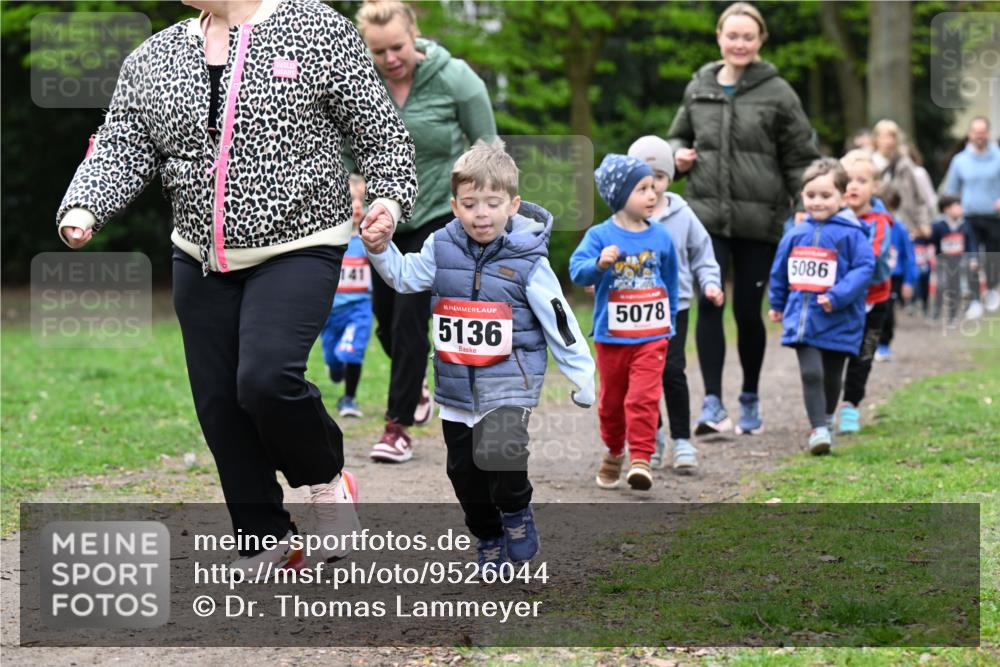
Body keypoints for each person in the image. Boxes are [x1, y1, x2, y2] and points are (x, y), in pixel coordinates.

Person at [57, 0, 417, 571]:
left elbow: (382, 136)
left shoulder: (316, 28)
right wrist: (85, 205)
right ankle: (263, 533)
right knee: (220, 402)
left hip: (300, 242)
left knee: (266, 378)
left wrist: (389, 201)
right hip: (197, 256)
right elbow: (124, 142)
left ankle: (327, 485)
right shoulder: (156, 54)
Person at [361, 140, 595, 570]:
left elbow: (558, 318)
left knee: (503, 464)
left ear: (513, 204)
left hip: (510, 384)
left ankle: (517, 514)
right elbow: (405, 277)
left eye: (492, 203)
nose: (481, 214)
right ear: (454, 206)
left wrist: (582, 374)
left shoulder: (528, 259)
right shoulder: (440, 246)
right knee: (464, 477)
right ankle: (487, 535)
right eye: (470, 204)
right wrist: (380, 249)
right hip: (455, 389)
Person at [666, 1, 819, 437]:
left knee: (749, 311)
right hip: (706, 216)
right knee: (710, 303)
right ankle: (712, 404)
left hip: (761, 219)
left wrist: (805, 207)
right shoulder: (699, 85)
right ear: (719, 37)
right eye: (731, 36)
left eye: (747, 37)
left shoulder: (778, 93)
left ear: (760, 41)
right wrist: (677, 154)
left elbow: (799, 159)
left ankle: (750, 395)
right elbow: (678, 133)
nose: (739, 43)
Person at [356, 0, 497, 463]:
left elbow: (487, 146)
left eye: (396, 47)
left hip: (438, 212)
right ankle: (414, 384)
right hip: (382, 217)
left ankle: (396, 427)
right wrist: (352, 181)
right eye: (378, 51)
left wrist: (478, 204)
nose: (389, 58)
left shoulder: (455, 78)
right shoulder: (360, 81)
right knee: (385, 322)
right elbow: (338, 141)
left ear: (413, 34)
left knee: (410, 316)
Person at [570, 154, 680, 491]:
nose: (652, 195)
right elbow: (577, 270)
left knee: (643, 399)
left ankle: (642, 459)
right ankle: (614, 451)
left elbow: (671, 282)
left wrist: (670, 321)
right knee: (612, 403)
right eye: (642, 188)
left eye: (653, 187)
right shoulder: (599, 235)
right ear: (619, 195)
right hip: (612, 336)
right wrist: (599, 265)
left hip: (652, 335)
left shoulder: (661, 236)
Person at [627, 136, 723, 472]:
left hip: (674, 305)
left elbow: (702, 253)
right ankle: (651, 439)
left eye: (659, 178)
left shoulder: (682, 215)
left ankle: (682, 439)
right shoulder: (624, 217)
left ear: (670, 179)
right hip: (633, 308)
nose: (652, 189)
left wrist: (710, 284)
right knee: (642, 377)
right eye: (643, 181)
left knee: (671, 371)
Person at [767, 159, 874, 455]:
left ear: (842, 196)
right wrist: (776, 303)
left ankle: (826, 418)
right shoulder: (794, 233)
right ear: (802, 196)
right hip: (804, 319)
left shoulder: (852, 233)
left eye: (825, 196)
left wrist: (838, 295)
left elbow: (865, 268)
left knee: (831, 377)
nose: (817, 202)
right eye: (811, 195)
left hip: (839, 318)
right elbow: (780, 271)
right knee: (811, 373)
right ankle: (818, 429)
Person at [836, 151, 894, 434]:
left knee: (863, 355)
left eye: (862, 180)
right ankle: (824, 406)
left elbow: (870, 257)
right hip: (841, 301)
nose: (853, 186)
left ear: (875, 187)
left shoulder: (880, 222)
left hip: (875, 300)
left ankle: (850, 405)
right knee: (835, 353)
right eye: (847, 180)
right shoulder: (829, 217)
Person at [320, 174, 373, 418]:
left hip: (359, 308)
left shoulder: (368, 241)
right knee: (333, 358)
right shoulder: (329, 240)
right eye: (352, 199)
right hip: (331, 312)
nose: (357, 206)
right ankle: (335, 369)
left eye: (363, 201)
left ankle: (349, 398)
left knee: (353, 351)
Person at [941, 117, 1000, 313]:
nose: (979, 135)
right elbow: (951, 189)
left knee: (993, 257)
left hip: (994, 216)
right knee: (971, 258)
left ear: (988, 134)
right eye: (976, 131)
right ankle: (974, 299)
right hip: (969, 217)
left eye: (982, 132)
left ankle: (991, 291)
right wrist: (954, 209)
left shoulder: (998, 156)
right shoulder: (960, 161)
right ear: (970, 134)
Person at [876, 185, 919, 362]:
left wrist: (909, 281)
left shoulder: (899, 229)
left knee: (886, 312)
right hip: (873, 276)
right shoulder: (870, 226)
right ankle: (867, 347)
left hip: (894, 277)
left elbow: (909, 257)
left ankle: (883, 345)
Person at [871, 119, 931, 239]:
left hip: (905, 224)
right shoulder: (869, 164)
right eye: (884, 137)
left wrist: (923, 222)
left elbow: (919, 197)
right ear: (876, 139)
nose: (888, 141)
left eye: (892, 136)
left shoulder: (904, 164)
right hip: (876, 225)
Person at [931, 196, 981, 324]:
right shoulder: (938, 225)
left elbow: (971, 243)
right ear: (947, 209)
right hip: (943, 262)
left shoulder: (964, 225)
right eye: (956, 206)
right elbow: (932, 242)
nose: (960, 209)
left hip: (958, 262)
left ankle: (952, 317)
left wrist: (973, 258)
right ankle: (936, 310)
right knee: (941, 286)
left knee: (955, 288)